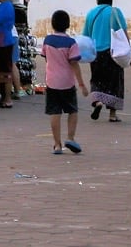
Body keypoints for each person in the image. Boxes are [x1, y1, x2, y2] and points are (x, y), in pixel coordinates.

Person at [42, 9, 88, 154]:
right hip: (67, 82)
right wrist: (81, 84)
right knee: (72, 110)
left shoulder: (47, 40)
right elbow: (74, 64)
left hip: (51, 82)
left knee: (55, 113)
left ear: (52, 24)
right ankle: (70, 137)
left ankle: (56, 144)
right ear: (68, 25)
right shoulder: (71, 43)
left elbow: (45, 57)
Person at [82, 0, 127, 122]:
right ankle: (112, 115)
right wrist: (128, 49)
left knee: (97, 79)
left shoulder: (91, 13)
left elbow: (86, 36)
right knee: (115, 81)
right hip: (113, 52)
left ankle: (98, 102)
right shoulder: (115, 12)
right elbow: (123, 32)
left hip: (96, 53)